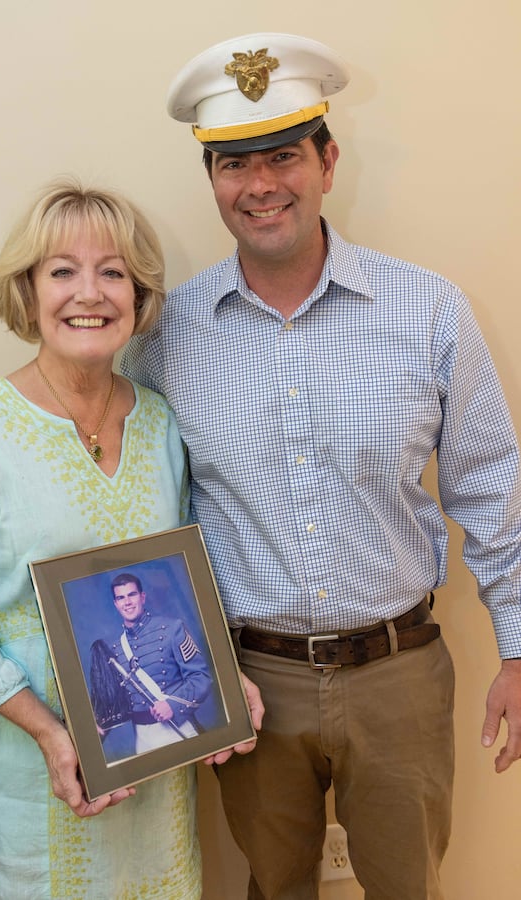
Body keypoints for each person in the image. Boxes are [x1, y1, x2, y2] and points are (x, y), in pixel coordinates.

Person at [120, 31, 521, 900]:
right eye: (234, 163)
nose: (260, 185)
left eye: (284, 155)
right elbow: (130, 509)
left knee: (410, 884)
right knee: (273, 886)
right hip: (245, 685)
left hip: (401, 675)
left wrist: (520, 651)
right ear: (212, 180)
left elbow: (493, 490)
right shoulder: (163, 339)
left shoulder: (428, 310)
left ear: (328, 161)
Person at [0, 177, 263, 899]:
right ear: (28, 289)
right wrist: (51, 732)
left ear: (138, 299)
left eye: (113, 273)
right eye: (62, 271)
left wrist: (217, 686)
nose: (90, 293)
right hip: (30, 790)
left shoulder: (161, 425)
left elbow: (182, 592)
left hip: (154, 784)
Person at [90, 571, 213, 758]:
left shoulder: (172, 629)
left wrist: (172, 705)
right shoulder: (113, 649)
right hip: (142, 740)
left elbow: (201, 678)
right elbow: (114, 702)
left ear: (142, 597)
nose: (127, 602)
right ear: (116, 604)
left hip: (179, 730)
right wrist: (100, 725)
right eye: (121, 598)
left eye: (132, 595)